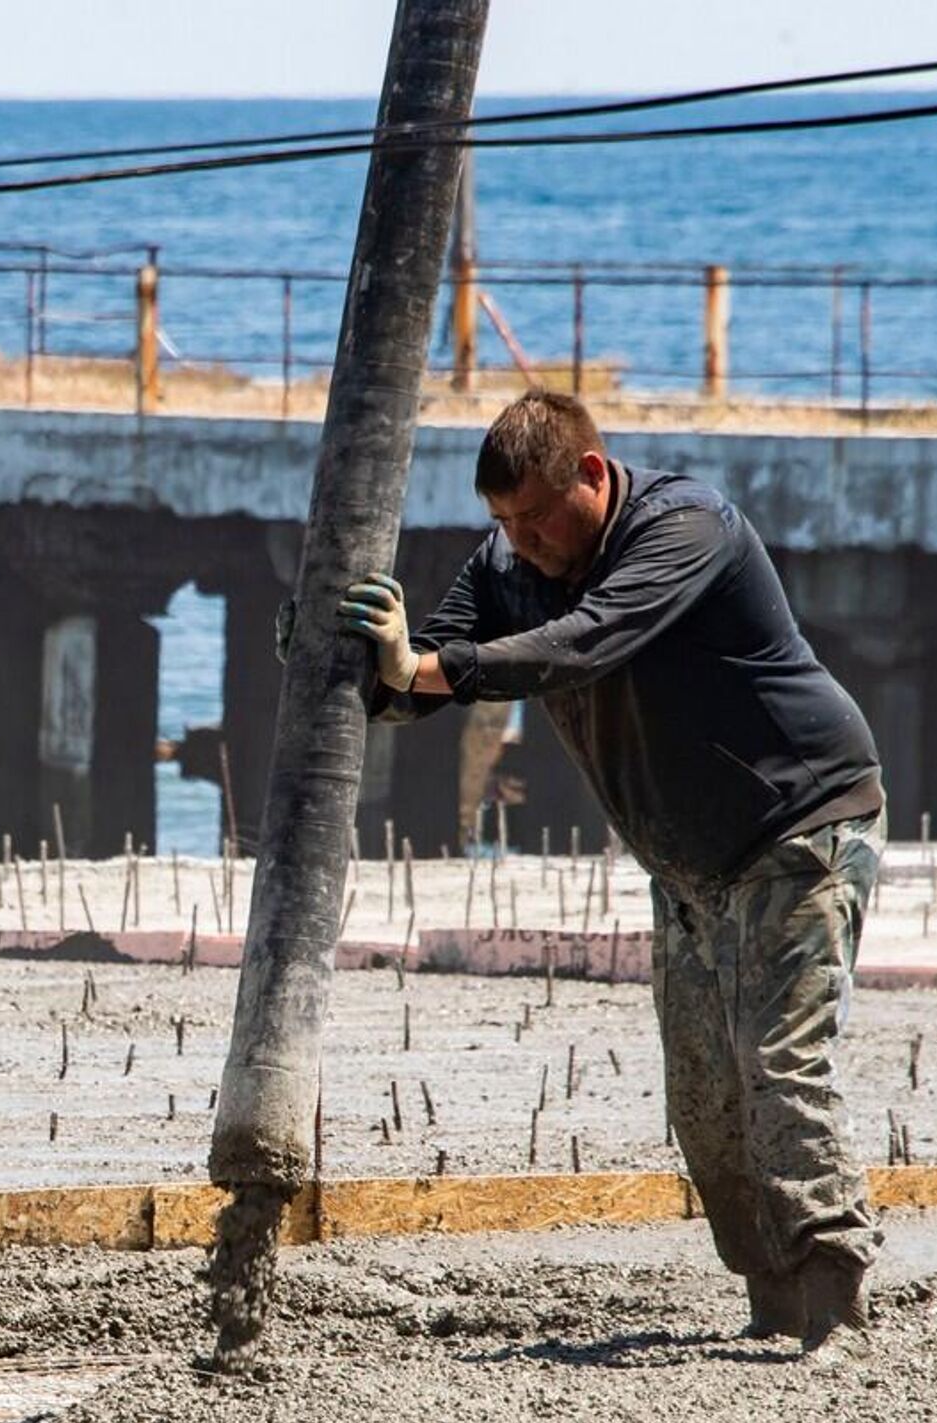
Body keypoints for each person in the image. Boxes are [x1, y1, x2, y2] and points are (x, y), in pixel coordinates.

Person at [340, 390, 884, 1358]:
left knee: (781, 1068)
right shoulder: (512, 561)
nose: (524, 541)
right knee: (707, 1099)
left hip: (801, 828)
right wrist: (355, 664)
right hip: (689, 866)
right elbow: (428, 677)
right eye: (503, 523)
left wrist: (419, 670)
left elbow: (577, 645)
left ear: (592, 474)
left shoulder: (684, 529)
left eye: (539, 517)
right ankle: (774, 1300)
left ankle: (836, 1303)